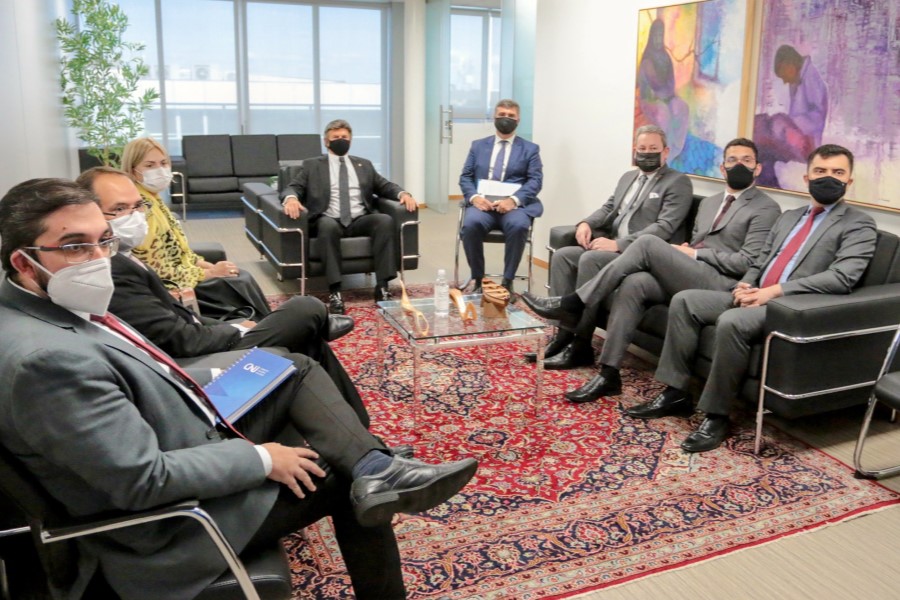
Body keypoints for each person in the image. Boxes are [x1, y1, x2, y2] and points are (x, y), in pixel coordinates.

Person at [0, 178, 477, 599]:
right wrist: (264, 458)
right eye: (76, 246)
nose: (100, 257)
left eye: (103, 240)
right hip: (170, 521)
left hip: (186, 417)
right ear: (23, 261)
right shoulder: (47, 360)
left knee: (286, 365)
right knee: (340, 474)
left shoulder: (51, 304)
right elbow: (142, 481)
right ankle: (371, 487)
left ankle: (376, 463)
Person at [76, 167, 376, 428]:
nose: (134, 216)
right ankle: (320, 322)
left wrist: (234, 324)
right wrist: (233, 330)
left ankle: (361, 432)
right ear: (89, 214)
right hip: (201, 358)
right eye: (119, 209)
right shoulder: (109, 268)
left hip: (201, 334)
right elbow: (176, 338)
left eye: (137, 206)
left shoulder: (122, 255)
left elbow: (171, 314)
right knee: (305, 307)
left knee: (307, 336)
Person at [628, 144, 876, 452]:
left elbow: (842, 277)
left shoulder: (859, 224)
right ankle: (676, 392)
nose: (829, 178)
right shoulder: (790, 217)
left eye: (838, 172)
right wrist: (744, 285)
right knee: (686, 301)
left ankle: (717, 415)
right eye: (821, 171)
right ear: (807, 177)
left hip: (789, 305)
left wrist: (772, 292)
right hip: (756, 293)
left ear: (849, 180)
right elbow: (760, 261)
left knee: (732, 322)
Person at [522, 139, 781, 394]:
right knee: (635, 284)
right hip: (692, 271)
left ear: (757, 168)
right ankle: (609, 373)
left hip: (722, 281)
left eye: (746, 160)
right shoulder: (709, 203)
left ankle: (574, 302)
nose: (739, 165)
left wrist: (695, 254)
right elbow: (695, 241)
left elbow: (746, 261)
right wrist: (689, 252)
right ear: (722, 168)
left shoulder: (766, 207)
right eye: (732, 160)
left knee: (647, 243)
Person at [530, 124, 693, 367]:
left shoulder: (677, 182)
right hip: (610, 244)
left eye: (653, 149)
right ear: (634, 150)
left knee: (590, 259)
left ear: (666, 152)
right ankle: (563, 335)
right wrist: (585, 223)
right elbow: (608, 208)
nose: (646, 153)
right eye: (642, 148)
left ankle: (581, 345)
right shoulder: (628, 177)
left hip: (640, 256)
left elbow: (664, 227)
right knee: (564, 255)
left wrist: (618, 244)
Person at [121, 137, 271, 319]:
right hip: (174, 288)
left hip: (186, 275)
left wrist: (210, 267)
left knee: (238, 276)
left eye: (163, 163)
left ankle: (268, 328)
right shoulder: (142, 208)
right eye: (150, 165)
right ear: (132, 171)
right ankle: (265, 331)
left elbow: (180, 252)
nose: (160, 170)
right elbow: (159, 271)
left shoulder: (154, 199)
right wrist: (209, 273)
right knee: (239, 283)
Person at [281, 119, 417, 315]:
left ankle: (382, 287)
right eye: (335, 137)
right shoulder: (312, 165)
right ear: (326, 141)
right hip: (328, 218)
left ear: (351, 140)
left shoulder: (363, 164)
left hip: (359, 218)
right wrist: (291, 199)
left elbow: (385, 185)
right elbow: (294, 187)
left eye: (344, 137)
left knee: (384, 221)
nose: (340, 140)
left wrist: (403, 194)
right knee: (327, 227)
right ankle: (335, 291)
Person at [458, 98, 543, 296]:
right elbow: (466, 177)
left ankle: (508, 281)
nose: (506, 119)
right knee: (470, 225)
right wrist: (474, 198)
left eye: (511, 116)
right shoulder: (478, 146)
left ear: (518, 119)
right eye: (502, 115)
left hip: (513, 206)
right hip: (483, 205)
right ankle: (478, 279)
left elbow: (535, 181)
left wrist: (513, 200)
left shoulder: (530, 149)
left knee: (520, 225)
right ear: (494, 118)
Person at [754, 45, 828, 188]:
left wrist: (790, 125)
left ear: (789, 65)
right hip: (796, 137)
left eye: (783, 75)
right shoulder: (800, 78)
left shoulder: (812, 78)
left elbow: (818, 115)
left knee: (764, 148)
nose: (785, 81)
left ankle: (769, 186)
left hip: (805, 144)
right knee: (762, 146)